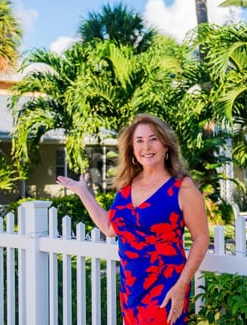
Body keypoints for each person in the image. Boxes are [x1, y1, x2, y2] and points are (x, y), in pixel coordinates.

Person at [56, 113, 209, 325]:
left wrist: (181, 287)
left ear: (166, 146)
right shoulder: (128, 185)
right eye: (139, 141)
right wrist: (82, 192)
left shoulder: (182, 187)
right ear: (133, 150)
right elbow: (110, 228)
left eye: (153, 139)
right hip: (131, 289)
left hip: (166, 288)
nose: (146, 146)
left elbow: (201, 239)